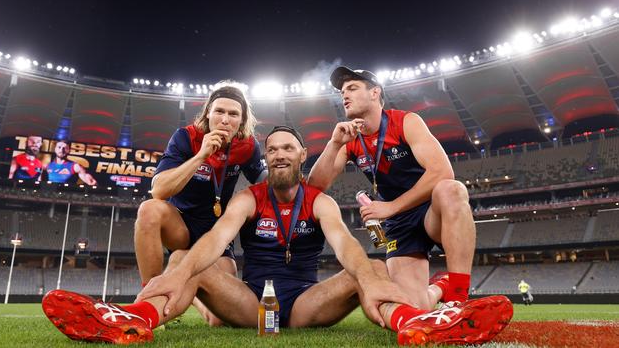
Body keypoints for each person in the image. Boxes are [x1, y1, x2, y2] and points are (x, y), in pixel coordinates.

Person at [41, 126, 513, 346]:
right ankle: (133, 319)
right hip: (251, 304)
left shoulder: (319, 200)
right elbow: (218, 234)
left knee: (363, 269)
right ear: (267, 159)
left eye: (288, 147)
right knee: (193, 261)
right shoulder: (251, 196)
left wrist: (370, 275)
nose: (280, 155)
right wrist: (181, 266)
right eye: (272, 150)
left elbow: (347, 248)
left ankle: (412, 324)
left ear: (303, 154)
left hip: (307, 304)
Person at [307, 66, 477, 311]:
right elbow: (315, 187)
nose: (344, 95)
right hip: (399, 223)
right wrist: (334, 144)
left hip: (430, 211)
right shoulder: (350, 138)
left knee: (451, 189)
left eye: (352, 88)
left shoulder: (405, 121)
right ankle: (441, 285)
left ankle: (459, 301)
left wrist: (391, 207)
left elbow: (442, 172)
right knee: (414, 307)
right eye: (342, 91)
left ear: (375, 93)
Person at [134, 82, 266, 325]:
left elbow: (268, 184)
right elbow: (159, 190)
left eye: (233, 114)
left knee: (219, 320)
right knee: (149, 210)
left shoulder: (247, 146)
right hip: (180, 226)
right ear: (208, 113)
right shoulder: (186, 137)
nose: (225, 119)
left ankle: (189, 287)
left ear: (242, 120)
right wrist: (200, 156)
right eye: (219, 111)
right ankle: (149, 298)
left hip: (215, 234)